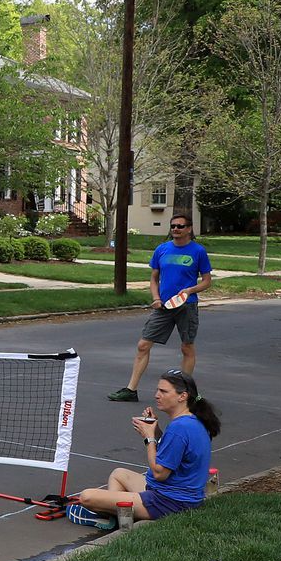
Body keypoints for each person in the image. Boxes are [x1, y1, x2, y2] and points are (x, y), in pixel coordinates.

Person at [69, 369, 219, 529]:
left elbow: (160, 473)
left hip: (170, 502)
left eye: (163, 391)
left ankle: (113, 516)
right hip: (179, 495)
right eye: (157, 390)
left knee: (87, 497)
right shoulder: (192, 420)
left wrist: (149, 438)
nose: (156, 395)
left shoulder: (179, 428)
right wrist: (156, 430)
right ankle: (115, 515)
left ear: (182, 396)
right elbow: (176, 451)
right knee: (119, 474)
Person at [109, 216, 212, 401]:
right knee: (143, 345)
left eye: (180, 226)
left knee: (187, 348)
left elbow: (206, 281)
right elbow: (154, 278)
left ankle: (187, 392)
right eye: (173, 226)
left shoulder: (198, 251)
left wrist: (190, 290)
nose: (176, 229)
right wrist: (156, 298)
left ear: (189, 229)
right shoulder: (162, 249)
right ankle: (131, 390)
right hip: (163, 306)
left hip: (186, 306)